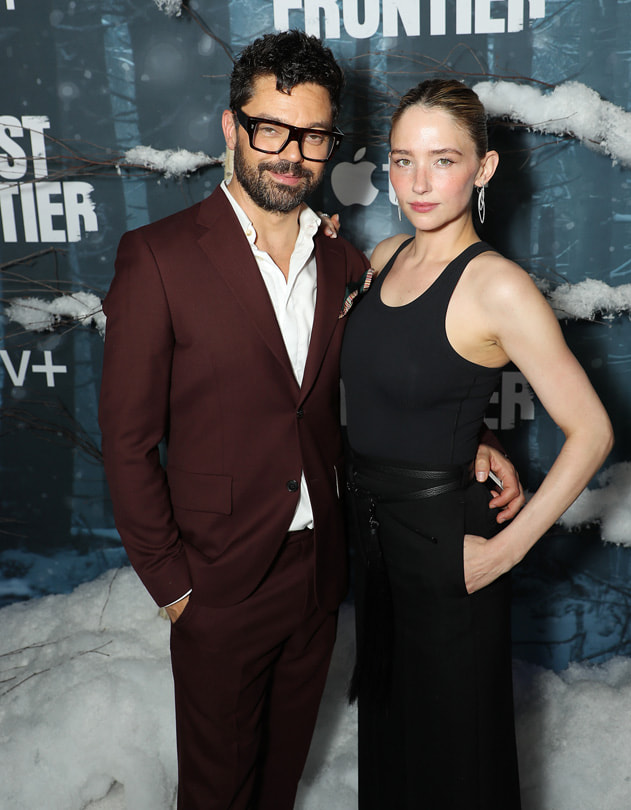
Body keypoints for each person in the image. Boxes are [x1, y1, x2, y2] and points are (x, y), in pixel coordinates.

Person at [99, 33, 523, 810]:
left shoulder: (345, 264)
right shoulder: (156, 259)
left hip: (322, 575)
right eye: (271, 129)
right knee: (219, 794)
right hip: (217, 585)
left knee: (280, 783)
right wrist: (174, 588)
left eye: (315, 135)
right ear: (231, 129)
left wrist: (471, 442)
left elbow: (392, 382)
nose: (291, 154)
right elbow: (127, 444)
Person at [340, 78, 614, 810]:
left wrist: (503, 551)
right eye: (402, 161)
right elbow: (408, 384)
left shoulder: (499, 287)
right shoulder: (388, 255)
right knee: (394, 754)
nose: (418, 183)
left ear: (484, 169)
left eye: (443, 160)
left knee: (455, 766)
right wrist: (479, 433)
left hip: (446, 552)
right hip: (376, 546)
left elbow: (592, 432)